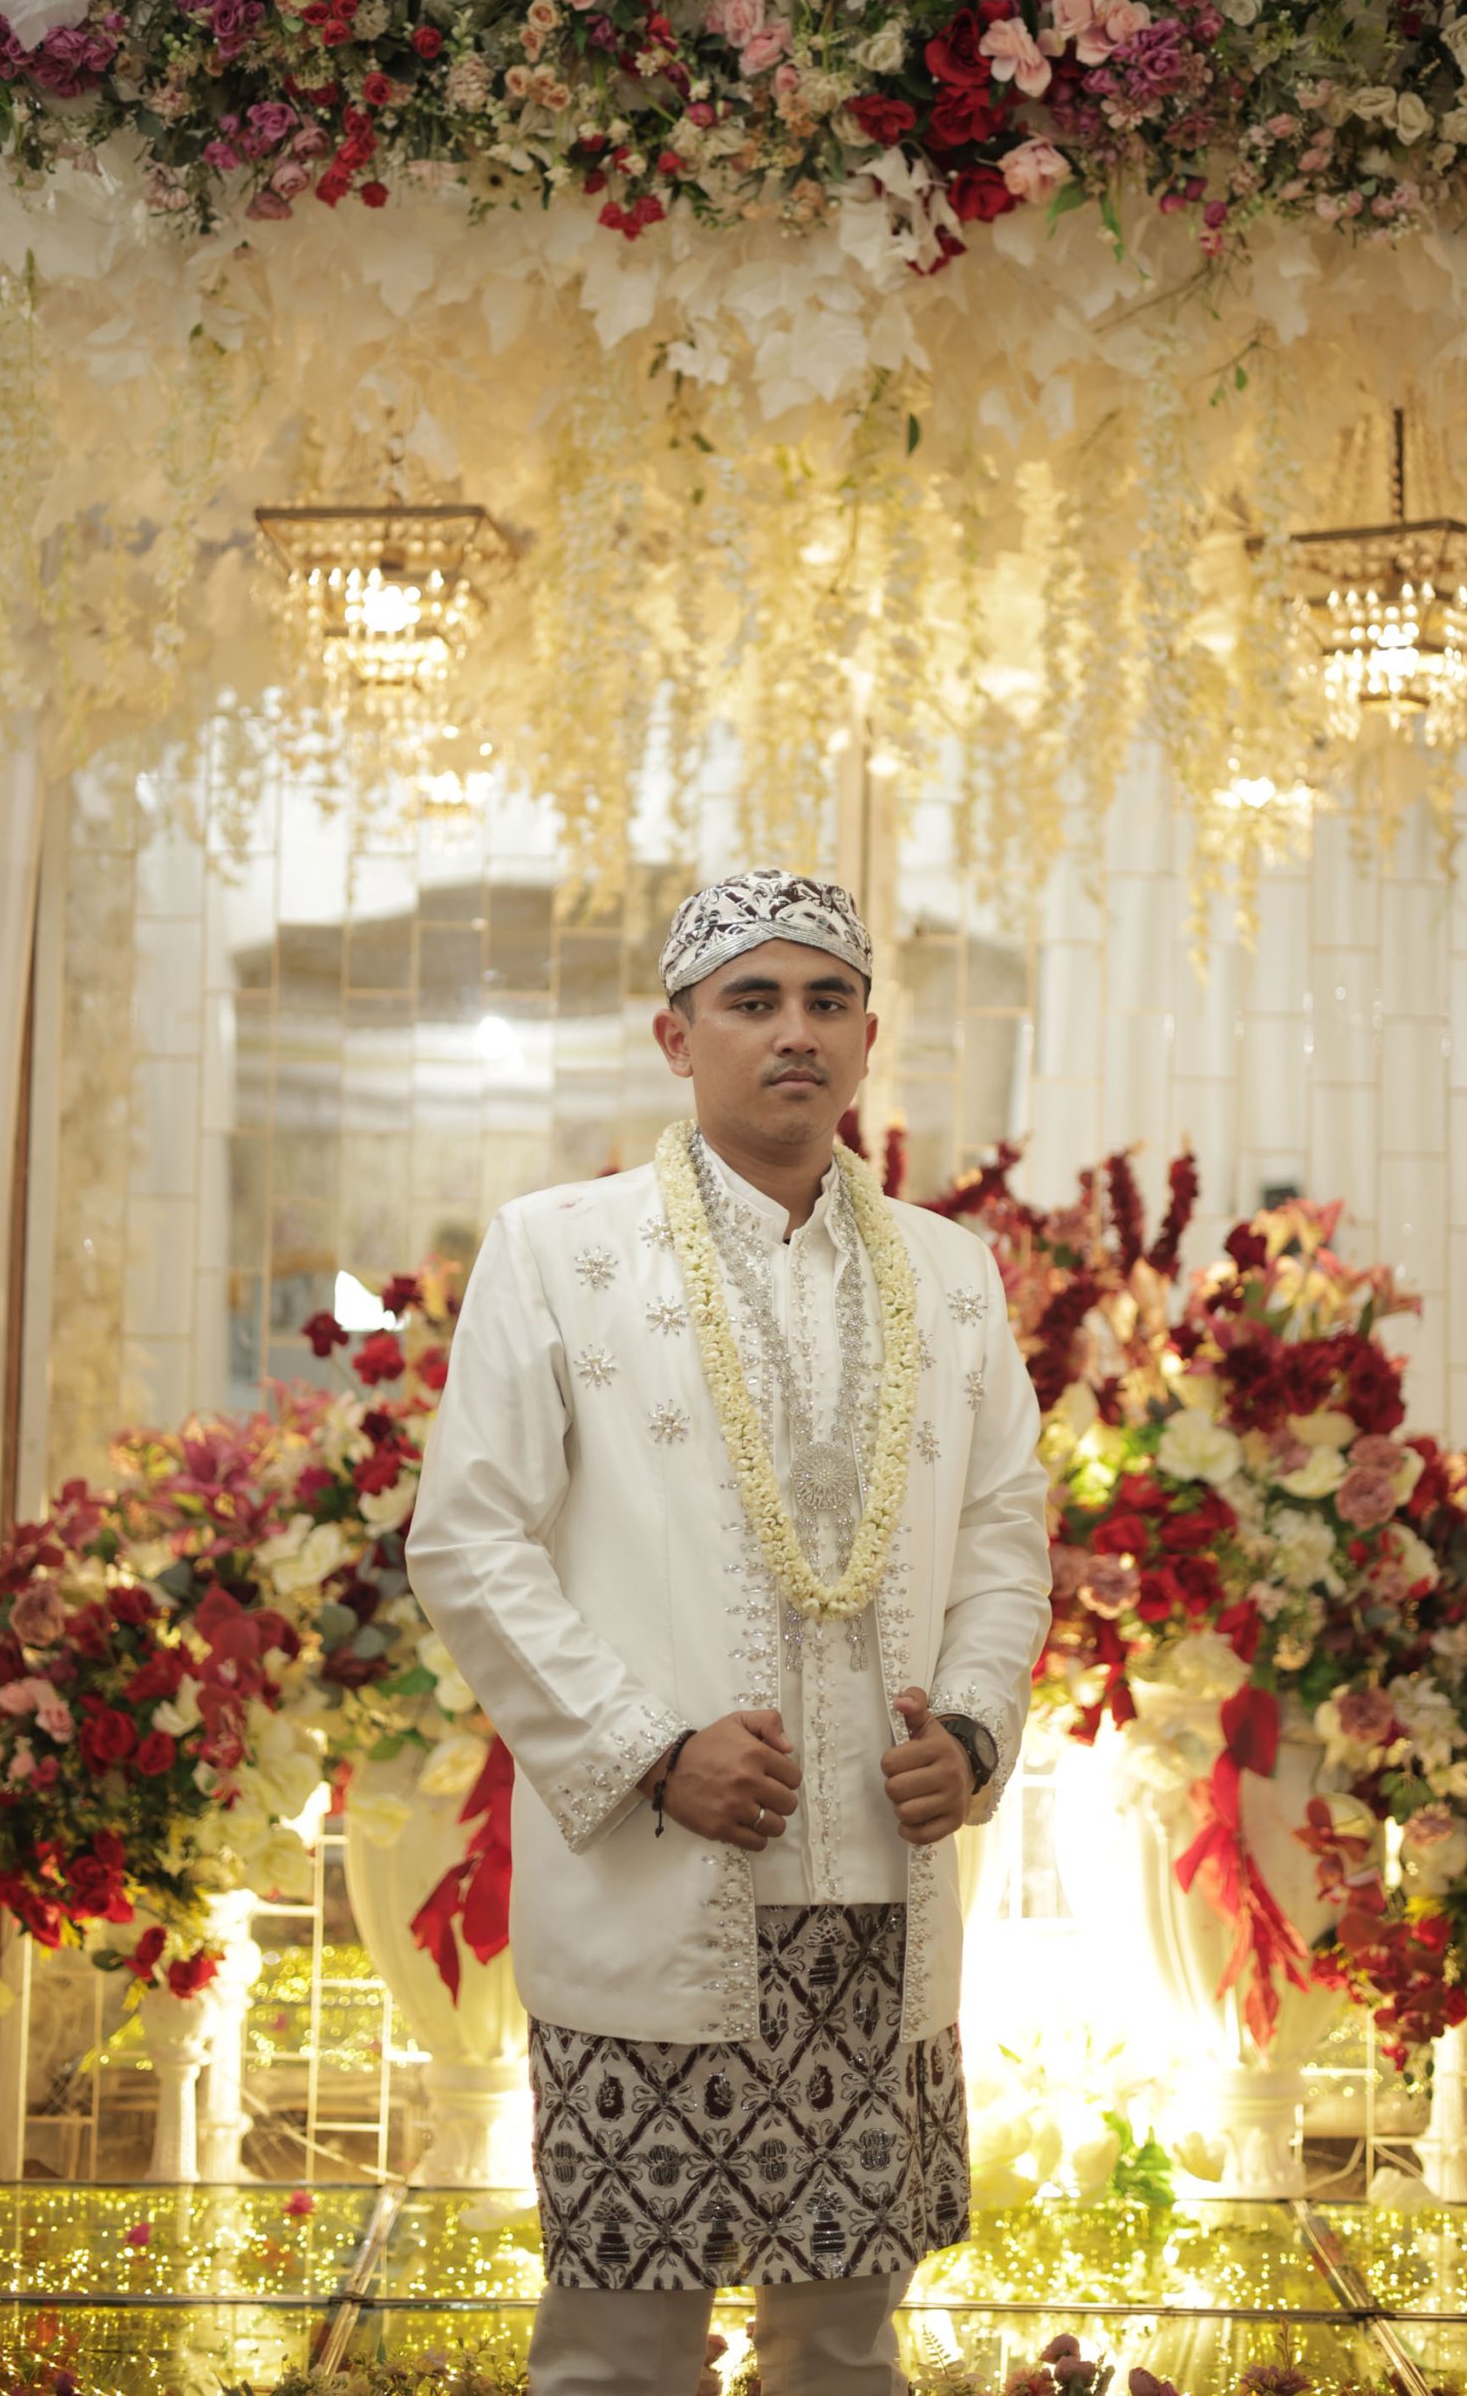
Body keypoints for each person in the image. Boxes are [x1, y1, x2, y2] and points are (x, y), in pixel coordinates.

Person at [405, 867, 1052, 2396]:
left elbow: (1004, 1534)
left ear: (870, 1038)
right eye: (752, 1001)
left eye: (828, 1001)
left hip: (881, 1897)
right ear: (675, 1036)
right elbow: (468, 1540)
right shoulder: (558, 1251)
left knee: (846, 2346)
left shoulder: (954, 1276)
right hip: (661, 1881)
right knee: (618, 2348)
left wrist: (971, 1732)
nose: (794, 1033)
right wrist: (649, 1751)